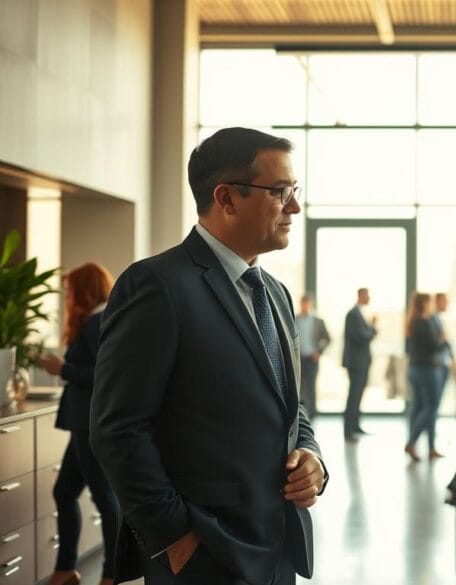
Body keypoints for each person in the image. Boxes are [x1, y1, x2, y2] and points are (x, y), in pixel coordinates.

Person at [90, 127, 327, 585]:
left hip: (277, 548)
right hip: (204, 553)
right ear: (227, 198)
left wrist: (311, 457)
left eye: (294, 191)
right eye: (281, 192)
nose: (294, 207)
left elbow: (287, 405)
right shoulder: (157, 286)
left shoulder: (275, 294)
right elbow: (117, 430)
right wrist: (177, 539)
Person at [38, 263, 119, 585]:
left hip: (90, 424)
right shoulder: (100, 319)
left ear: (84, 290)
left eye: (71, 290)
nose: (67, 296)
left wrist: (62, 369)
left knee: (104, 497)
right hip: (84, 423)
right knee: (65, 491)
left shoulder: (98, 322)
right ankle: (65, 570)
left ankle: (113, 573)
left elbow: (106, 376)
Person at [404, 292, 448, 462]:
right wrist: (443, 339)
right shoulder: (423, 321)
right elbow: (433, 346)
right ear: (424, 304)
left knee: (422, 406)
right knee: (431, 408)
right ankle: (412, 441)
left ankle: (430, 448)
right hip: (427, 369)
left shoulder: (413, 321)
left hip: (415, 368)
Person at [343, 287, 377, 441]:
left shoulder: (359, 314)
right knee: (354, 395)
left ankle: (355, 426)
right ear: (360, 295)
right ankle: (348, 430)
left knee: (358, 396)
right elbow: (361, 337)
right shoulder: (353, 314)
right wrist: (374, 329)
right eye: (367, 295)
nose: (369, 297)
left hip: (361, 362)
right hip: (356, 363)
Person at [296, 293, 330, 418]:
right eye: (302, 303)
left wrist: (319, 352)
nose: (304, 306)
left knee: (311, 386)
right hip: (298, 359)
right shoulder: (294, 319)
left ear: (310, 304)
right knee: (299, 386)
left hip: (312, 358)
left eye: (306, 303)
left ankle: (313, 414)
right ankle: (301, 414)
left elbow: (327, 339)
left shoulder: (318, 321)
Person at [432, 292, 453, 394]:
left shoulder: (438, 319)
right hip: (436, 365)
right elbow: (435, 343)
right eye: (445, 301)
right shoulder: (432, 319)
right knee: (432, 403)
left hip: (442, 364)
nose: (447, 304)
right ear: (437, 301)